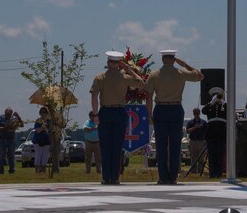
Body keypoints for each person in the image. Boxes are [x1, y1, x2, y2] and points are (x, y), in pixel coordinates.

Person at [146, 50, 203, 185]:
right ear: (173, 59)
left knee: (161, 145)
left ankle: (163, 176)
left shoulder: (154, 75)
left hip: (160, 108)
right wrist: (184, 64)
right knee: (175, 144)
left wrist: (149, 115)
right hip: (176, 109)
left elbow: (148, 97)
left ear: (162, 59)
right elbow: (200, 76)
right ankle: (173, 177)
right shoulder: (181, 73)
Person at [90, 50, 147, 185]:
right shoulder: (124, 77)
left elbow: (94, 96)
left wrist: (95, 113)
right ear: (119, 64)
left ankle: (106, 177)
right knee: (117, 146)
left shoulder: (100, 78)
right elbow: (141, 82)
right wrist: (129, 70)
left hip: (105, 112)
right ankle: (115, 177)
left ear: (108, 63)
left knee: (105, 146)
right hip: (120, 112)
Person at [202, 87, 228, 179]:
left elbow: (230, 111)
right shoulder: (210, 106)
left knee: (220, 154)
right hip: (211, 132)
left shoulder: (224, 106)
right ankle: (212, 173)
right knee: (212, 154)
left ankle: (219, 173)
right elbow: (203, 111)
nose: (217, 98)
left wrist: (223, 103)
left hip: (221, 132)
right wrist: (211, 102)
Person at [0, 106, 23, 175]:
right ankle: (0, 172)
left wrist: (18, 117)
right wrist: (4, 128)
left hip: (11, 139)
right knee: (1, 156)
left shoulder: (14, 118)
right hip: (2, 139)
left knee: (11, 156)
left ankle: (11, 171)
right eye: (7, 114)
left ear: (11, 113)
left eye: (9, 114)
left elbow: (22, 125)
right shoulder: (0, 117)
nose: (8, 116)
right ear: (5, 113)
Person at [186, 108, 208, 176]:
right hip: (193, 141)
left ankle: (200, 172)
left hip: (201, 142)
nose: (196, 114)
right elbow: (187, 131)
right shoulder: (190, 122)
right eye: (195, 113)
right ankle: (193, 172)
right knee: (193, 157)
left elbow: (207, 132)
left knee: (201, 157)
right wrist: (194, 127)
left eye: (197, 113)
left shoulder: (204, 122)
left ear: (199, 113)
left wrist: (205, 141)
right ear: (193, 113)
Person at [32, 106, 53, 174]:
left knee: (45, 156)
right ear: (40, 113)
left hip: (46, 141)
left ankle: (43, 171)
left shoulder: (49, 121)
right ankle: (37, 171)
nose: (43, 113)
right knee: (38, 156)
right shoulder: (38, 121)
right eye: (42, 112)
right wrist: (43, 126)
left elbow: (51, 131)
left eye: (45, 112)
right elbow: (38, 131)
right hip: (38, 141)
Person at [83, 110, 101, 175]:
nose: (92, 117)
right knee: (88, 158)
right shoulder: (87, 122)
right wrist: (94, 128)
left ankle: (99, 171)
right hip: (88, 142)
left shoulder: (99, 122)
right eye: (91, 116)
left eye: (94, 116)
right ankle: (88, 171)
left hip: (97, 142)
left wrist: (91, 129)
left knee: (98, 158)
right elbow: (85, 129)